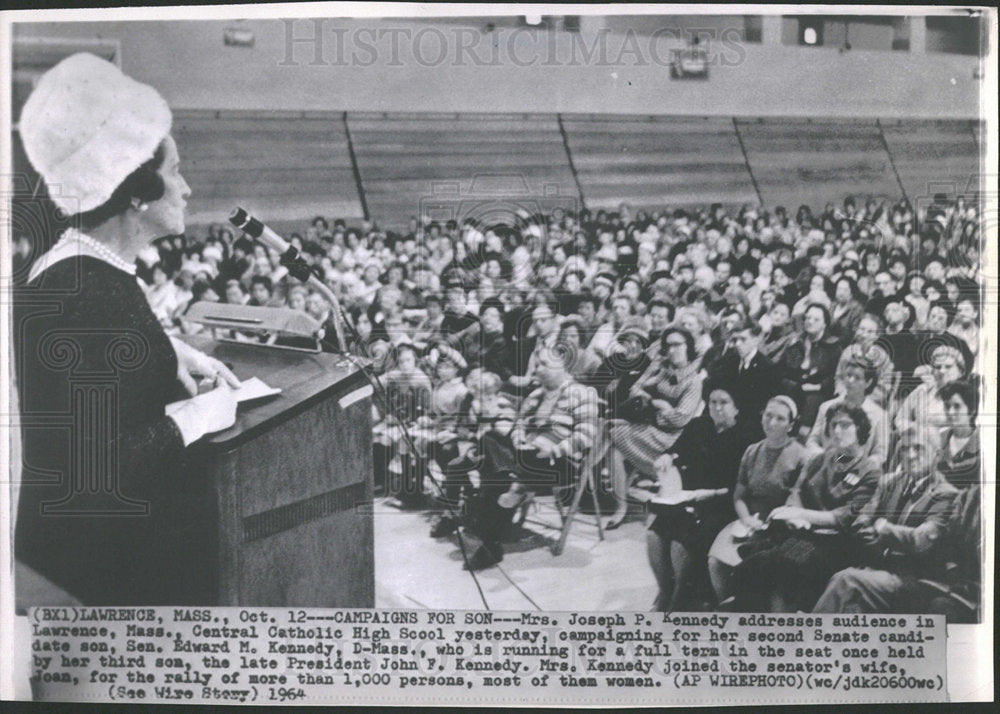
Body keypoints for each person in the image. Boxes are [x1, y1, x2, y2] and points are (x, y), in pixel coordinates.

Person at [15, 53, 240, 605]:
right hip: (96, 577)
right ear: (137, 190)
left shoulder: (76, 268)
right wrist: (201, 414)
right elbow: (102, 465)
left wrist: (171, 349)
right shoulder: (93, 294)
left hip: (78, 554)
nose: (186, 188)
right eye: (175, 171)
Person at [731, 404, 880, 612]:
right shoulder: (821, 459)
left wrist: (801, 514)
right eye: (833, 425)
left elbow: (845, 517)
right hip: (804, 536)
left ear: (860, 429)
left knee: (773, 565)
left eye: (845, 425)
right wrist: (795, 515)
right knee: (754, 566)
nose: (837, 431)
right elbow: (797, 492)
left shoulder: (869, 471)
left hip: (836, 544)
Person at [467, 350, 600, 570]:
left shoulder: (582, 393)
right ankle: (512, 483)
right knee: (489, 439)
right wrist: (519, 440)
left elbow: (587, 435)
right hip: (527, 458)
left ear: (561, 363)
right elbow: (519, 425)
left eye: (543, 364)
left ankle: (492, 535)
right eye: (536, 365)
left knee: (495, 475)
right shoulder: (536, 395)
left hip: (560, 463)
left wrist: (555, 450)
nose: (537, 369)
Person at [812, 426, 958, 614]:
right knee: (837, 585)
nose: (910, 455)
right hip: (876, 567)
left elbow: (921, 541)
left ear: (936, 454)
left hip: (914, 579)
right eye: (904, 449)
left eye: (918, 448)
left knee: (845, 581)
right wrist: (873, 533)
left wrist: (883, 528)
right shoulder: (889, 482)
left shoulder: (946, 494)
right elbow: (861, 519)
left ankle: (811, 629)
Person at [645, 382, 758, 611]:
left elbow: (740, 487)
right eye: (713, 402)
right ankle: (665, 591)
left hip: (721, 504)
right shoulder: (699, 425)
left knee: (679, 544)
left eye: (724, 402)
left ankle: (678, 600)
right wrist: (668, 457)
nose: (717, 407)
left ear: (736, 408)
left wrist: (709, 494)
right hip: (688, 499)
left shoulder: (745, 438)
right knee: (653, 536)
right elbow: (676, 449)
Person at [708, 396, 807, 604]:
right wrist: (746, 519)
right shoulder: (752, 451)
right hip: (748, 522)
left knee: (753, 570)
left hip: (780, 528)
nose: (771, 422)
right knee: (716, 561)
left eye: (780, 418)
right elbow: (739, 496)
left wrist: (767, 524)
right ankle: (726, 608)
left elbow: (796, 502)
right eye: (768, 415)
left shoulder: (800, 456)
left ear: (790, 425)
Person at [605, 327, 704, 529]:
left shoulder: (693, 380)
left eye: (677, 345)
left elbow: (681, 418)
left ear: (688, 347)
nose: (672, 350)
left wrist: (656, 409)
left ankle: (590, 467)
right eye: (668, 345)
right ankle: (621, 506)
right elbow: (635, 388)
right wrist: (656, 403)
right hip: (650, 426)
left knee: (611, 435)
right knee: (613, 450)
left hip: (671, 437)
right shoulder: (662, 368)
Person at [806, 357, 890, 468]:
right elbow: (812, 441)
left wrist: (860, 468)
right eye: (848, 375)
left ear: (868, 382)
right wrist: (824, 459)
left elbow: (880, 454)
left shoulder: (879, 415)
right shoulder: (826, 407)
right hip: (823, 466)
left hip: (856, 472)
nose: (850, 381)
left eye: (857, 378)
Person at [778, 303, 842, 430]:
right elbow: (784, 369)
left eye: (816, 319)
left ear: (825, 324)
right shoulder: (796, 342)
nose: (810, 322)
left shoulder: (832, 347)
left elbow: (834, 376)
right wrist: (793, 385)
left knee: (812, 404)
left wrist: (817, 386)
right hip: (793, 389)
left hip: (817, 394)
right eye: (808, 318)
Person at [935, 379, 980, 489]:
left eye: (957, 406)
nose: (950, 412)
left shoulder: (983, 445)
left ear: (972, 410)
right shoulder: (938, 439)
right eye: (947, 406)